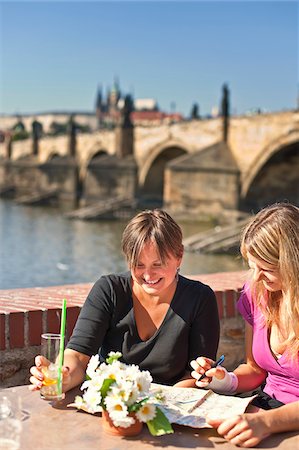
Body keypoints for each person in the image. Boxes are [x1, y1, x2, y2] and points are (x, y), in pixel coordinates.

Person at [30, 209, 220, 392]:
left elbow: (195, 375)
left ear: (179, 257)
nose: (148, 274)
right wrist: (63, 377)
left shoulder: (200, 298)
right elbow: (78, 356)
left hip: (171, 408)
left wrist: (156, 402)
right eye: (138, 264)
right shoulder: (109, 290)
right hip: (113, 404)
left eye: (158, 264)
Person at [190, 203, 299, 447]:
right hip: (263, 407)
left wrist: (268, 422)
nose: (257, 277)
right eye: (252, 267)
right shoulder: (257, 292)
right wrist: (223, 379)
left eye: (267, 268)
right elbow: (255, 370)